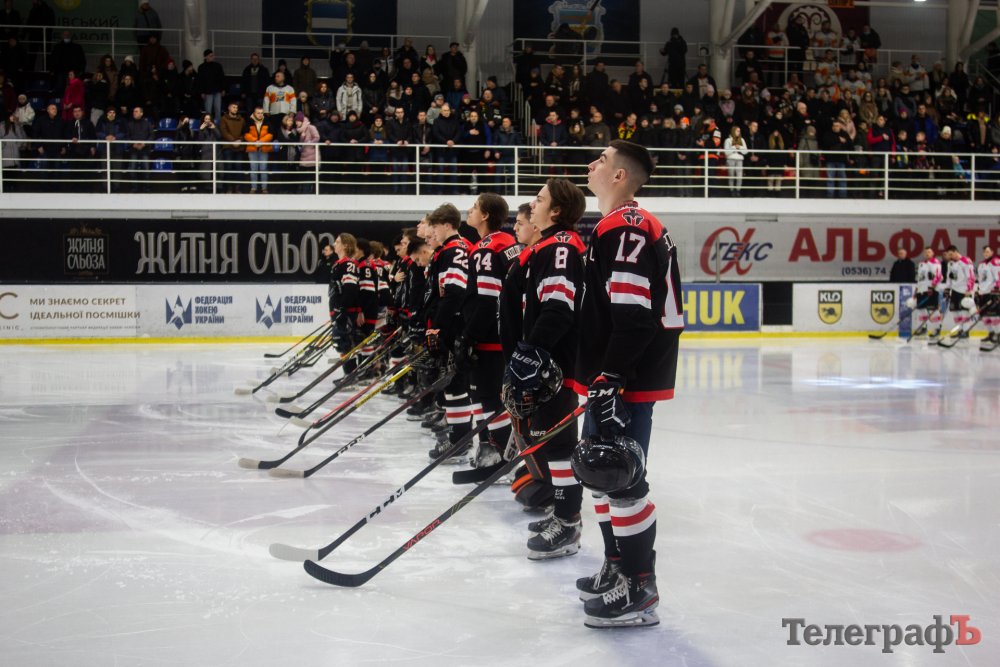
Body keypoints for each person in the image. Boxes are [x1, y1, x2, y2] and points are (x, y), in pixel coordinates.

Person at [572, 139, 682, 628]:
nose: (592, 164)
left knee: (623, 479)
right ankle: (618, 569)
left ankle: (640, 588)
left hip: (625, 379)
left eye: (602, 159)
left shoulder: (627, 226)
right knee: (602, 474)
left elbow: (634, 313)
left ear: (619, 176)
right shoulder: (617, 225)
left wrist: (612, 375)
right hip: (614, 376)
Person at [499, 177, 587, 561]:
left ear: (556, 210)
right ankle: (562, 513)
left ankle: (568, 522)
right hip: (542, 363)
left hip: (552, 368)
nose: (532, 204)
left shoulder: (561, 247)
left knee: (560, 447)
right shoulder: (545, 247)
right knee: (550, 444)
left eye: (539, 199)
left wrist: (530, 354)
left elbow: (558, 307)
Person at [453, 193, 518, 476]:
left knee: (489, 400)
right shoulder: (508, 243)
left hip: (489, 339)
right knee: (485, 399)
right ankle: (490, 451)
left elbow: (488, 300)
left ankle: (501, 456)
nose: (469, 211)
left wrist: (468, 336)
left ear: (486, 215)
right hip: (501, 336)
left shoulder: (487, 248)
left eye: (475, 207)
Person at [423, 204, 476, 458]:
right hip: (454, 324)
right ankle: (459, 437)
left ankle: (459, 440)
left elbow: (454, 293)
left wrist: (437, 327)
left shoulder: (454, 250)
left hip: (454, 326)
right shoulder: (455, 248)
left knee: (454, 383)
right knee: (452, 383)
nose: (432, 231)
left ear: (447, 225)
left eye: (435, 226)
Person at [939, 245, 976, 340]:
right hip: (954, 291)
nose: (950, 256)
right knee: (955, 311)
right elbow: (949, 277)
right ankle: (960, 330)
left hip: (964, 291)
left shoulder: (966, 261)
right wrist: (947, 289)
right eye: (948, 255)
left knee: (964, 312)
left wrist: (969, 289)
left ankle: (966, 331)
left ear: (956, 252)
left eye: (951, 254)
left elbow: (971, 277)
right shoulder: (950, 263)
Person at [123, 105, 154, 192]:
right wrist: (133, 144)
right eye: (133, 111)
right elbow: (127, 136)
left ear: (141, 113)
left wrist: (144, 143)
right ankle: (134, 188)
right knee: (132, 170)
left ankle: (146, 188)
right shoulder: (129, 124)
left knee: (146, 170)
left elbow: (152, 136)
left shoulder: (147, 124)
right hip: (133, 150)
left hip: (145, 150)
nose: (134, 113)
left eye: (136, 111)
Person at [244, 105, 273, 194]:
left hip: (264, 148)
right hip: (252, 148)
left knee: (264, 168)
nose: (260, 115)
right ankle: (253, 188)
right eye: (258, 113)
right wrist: (255, 141)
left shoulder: (267, 121)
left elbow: (271, 134)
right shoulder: (249, 121)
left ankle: (264, 188)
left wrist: (261, 141)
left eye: (261, 113)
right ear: (254, 113)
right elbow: (245, 134)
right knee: (253, 169)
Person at [976, 246, 1000, 350]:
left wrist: (997, 290)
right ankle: (991, 333)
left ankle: (998, 335)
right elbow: (981, 280)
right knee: (985, 316)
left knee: (994, 316)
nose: (986, 253)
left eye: (988, 251)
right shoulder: (981, 265)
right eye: (984, 252)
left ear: (992, 252)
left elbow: (998, 276)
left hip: (992, 293)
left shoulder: (995, 262)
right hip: (983, 293)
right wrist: (978, 290)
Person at [197, 49, 226, 122]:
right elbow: (200, 81)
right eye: (210, 56)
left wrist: (223, 89)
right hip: (207, 91)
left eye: (213, 55)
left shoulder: (218, 66)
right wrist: (202, 92)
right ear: (205, 57)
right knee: (208, 110)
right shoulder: (202, 67)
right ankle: (208, 124)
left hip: (217, 90)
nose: (212, 57)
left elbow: (222, 78)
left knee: (218, 109)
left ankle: (218, 124)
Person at [723, 125, 747, 195]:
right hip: (731, 159)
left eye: (739, 131)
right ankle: (731, 190)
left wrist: (739, 147)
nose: (739, 132)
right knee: (731, 175)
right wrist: (734, 147)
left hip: (740, 159)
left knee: (739, 176)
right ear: (733, 131)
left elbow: (746, 151)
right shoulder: (728, 140)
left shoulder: (742, 140)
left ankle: (738, 190)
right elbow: (726, 152)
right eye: (737, 131)